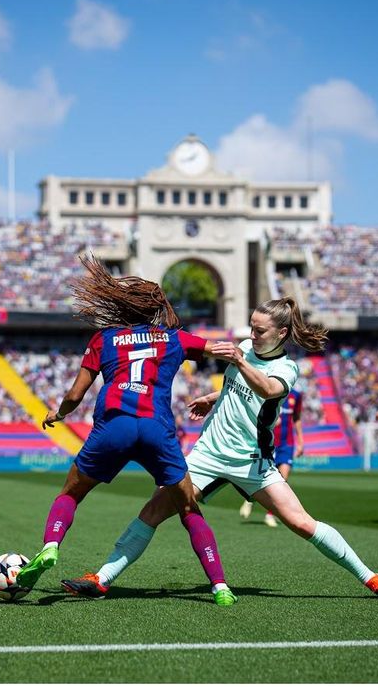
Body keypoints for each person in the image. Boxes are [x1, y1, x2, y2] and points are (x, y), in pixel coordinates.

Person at [62, 299, 378, 602]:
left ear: (282, 333)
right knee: (153, 511)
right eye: (251, 327)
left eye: (260, 330)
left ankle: (369, 577)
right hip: (207, 454)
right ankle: (101, 578)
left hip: (251, 461)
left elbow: (267, 390)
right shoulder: (245, 348)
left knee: (301, 523)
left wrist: (239, 359)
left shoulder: (286, 368)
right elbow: (234, 387)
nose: (252, 335)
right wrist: (213, 399)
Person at [12, 255, 238, 606]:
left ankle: (50, 546)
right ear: (154, 310)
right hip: (156, 430)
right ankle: (220, 587)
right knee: (189, 508)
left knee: (71, 493)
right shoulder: (173, 338)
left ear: (122, 308)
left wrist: (58, 413)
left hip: (113, 427)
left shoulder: (104, 339)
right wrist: (247, 358)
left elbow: (75, 394)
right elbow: (220, 349)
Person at [241, 380, 304, 526]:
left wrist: (301, 441)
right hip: (269, 443)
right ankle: (251, 498)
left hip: (287, 444)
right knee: (263, 477)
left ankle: (270, 515)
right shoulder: (270, 392)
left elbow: (297, 418)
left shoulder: (296, 395)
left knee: (282, 479)